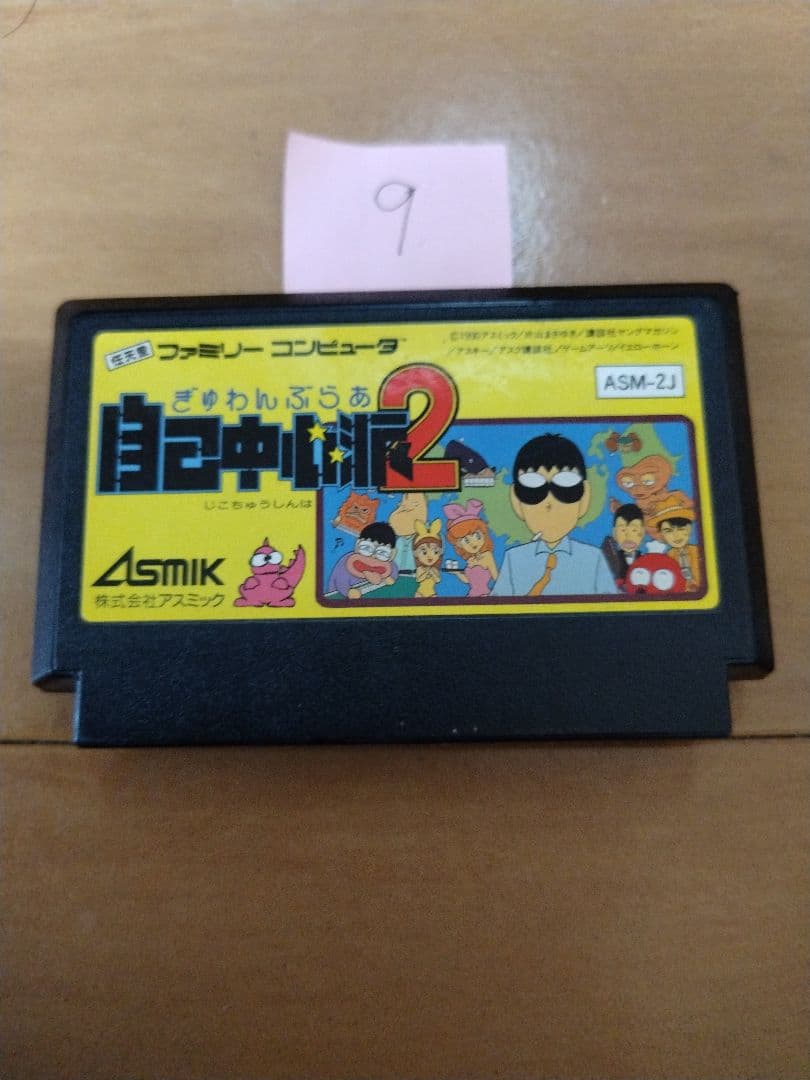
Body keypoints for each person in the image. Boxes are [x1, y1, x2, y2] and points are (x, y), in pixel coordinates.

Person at [490, 433, 618, 597]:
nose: (549, 503)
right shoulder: (514, 558)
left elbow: (611, 605)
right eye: (532, 491)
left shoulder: (593, 558)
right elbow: (498, 605)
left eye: (566, 489)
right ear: (516, 501)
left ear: (584, 497)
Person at [442, 498, 498, 597]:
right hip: (471, 595)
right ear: (459, 544)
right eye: (467, 541)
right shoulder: (470, 559)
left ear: (484, 534)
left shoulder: (487, 556)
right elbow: (469, 580)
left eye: (477, 536)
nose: (473, 543)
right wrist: (456, 573)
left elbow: (496, 577)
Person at [650, 494, 701, 592]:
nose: (676, 535)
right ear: (662, 534)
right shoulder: (667, 557)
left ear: (689, 529)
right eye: (668, 531)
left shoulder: (699, 552)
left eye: (681, 529)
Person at [601, 503, 645, 586]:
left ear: (642, 532)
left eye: (634, 530)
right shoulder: (608, 560)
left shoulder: (646, 561)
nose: (628, 536)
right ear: (614, 533)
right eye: (623, 530)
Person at [412, 520, 443, 598]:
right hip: (420, 593)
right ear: (415, 553)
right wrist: (426, 573)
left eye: (435, 552)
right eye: (424, 552)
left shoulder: (435, 569)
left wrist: (432, 572)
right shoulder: (420, 568)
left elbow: (438, 580)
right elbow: (418, 579)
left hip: (432, 593)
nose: (429, 556)